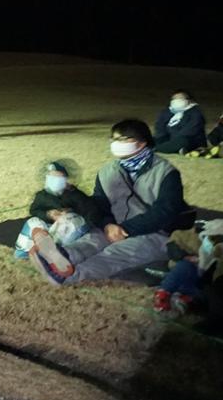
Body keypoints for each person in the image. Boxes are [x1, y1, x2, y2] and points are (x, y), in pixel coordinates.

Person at [30, 119, 193, 285]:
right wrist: (108, 224)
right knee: (91, 240)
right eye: (113, 139)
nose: (115, 144)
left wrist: (125, 229)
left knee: (116, 254)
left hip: (154, 233)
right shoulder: (107, 171)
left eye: (122, 140)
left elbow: (164, 212)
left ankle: (71, 275)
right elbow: (100, 205)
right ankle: (62, 255)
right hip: (114, 227)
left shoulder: (166, 173)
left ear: (142, 143)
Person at [13, 161, 101, 259]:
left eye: (58, 178)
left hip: (66, 231)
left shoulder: (76, 195)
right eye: (51, 177)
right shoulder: (42, 195)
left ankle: (54, 252)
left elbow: (91, 211)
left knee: (72, 221)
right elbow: (34, 210)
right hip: (48, 227)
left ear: (65, 179)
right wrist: (48, 214)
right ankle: (25, 251)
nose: (54, 181)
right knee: (33, 222)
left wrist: (70, 213)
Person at [153, 219, 223, 317]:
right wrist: (186, 257)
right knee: (185, 266)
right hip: (186, 273)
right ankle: (163, 294)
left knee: (205, 295)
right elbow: (172, 248)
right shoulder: (183, 235)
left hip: (200, 286)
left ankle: (183, 302)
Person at [153, 90, 206, 154]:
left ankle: (158, 148)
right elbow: (160, 128)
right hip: (170, 140)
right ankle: (174, 149)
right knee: (153, 139)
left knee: (183, 141)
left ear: (188, 101)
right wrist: (161, 138)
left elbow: (190, 131)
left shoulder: (195, 113)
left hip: (189, 140)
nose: (176, 101)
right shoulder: (167, 112)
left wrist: (174, 140)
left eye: (180, 99)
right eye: (174, 99)